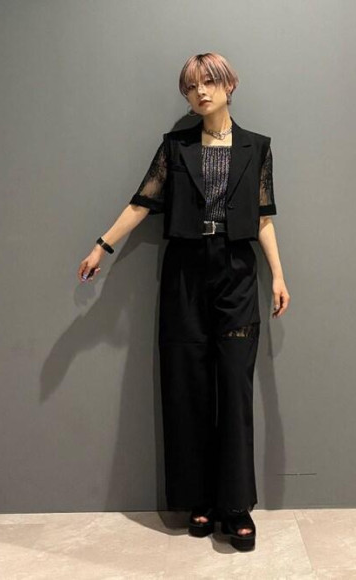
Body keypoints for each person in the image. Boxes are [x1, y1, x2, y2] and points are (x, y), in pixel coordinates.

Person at [77, 52, 290, 551]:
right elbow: (142, 202)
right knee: (187, 385)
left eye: (210, 82)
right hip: (185, 274)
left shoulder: (257, 147)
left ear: (230, 85)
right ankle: (198, 499)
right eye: (192, 86)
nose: (201, 92)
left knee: (234, 389)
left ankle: (235, 506)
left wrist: (279, 276)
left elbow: (263, 216)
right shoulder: (175, 148)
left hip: (237, 273)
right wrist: (102, 246)